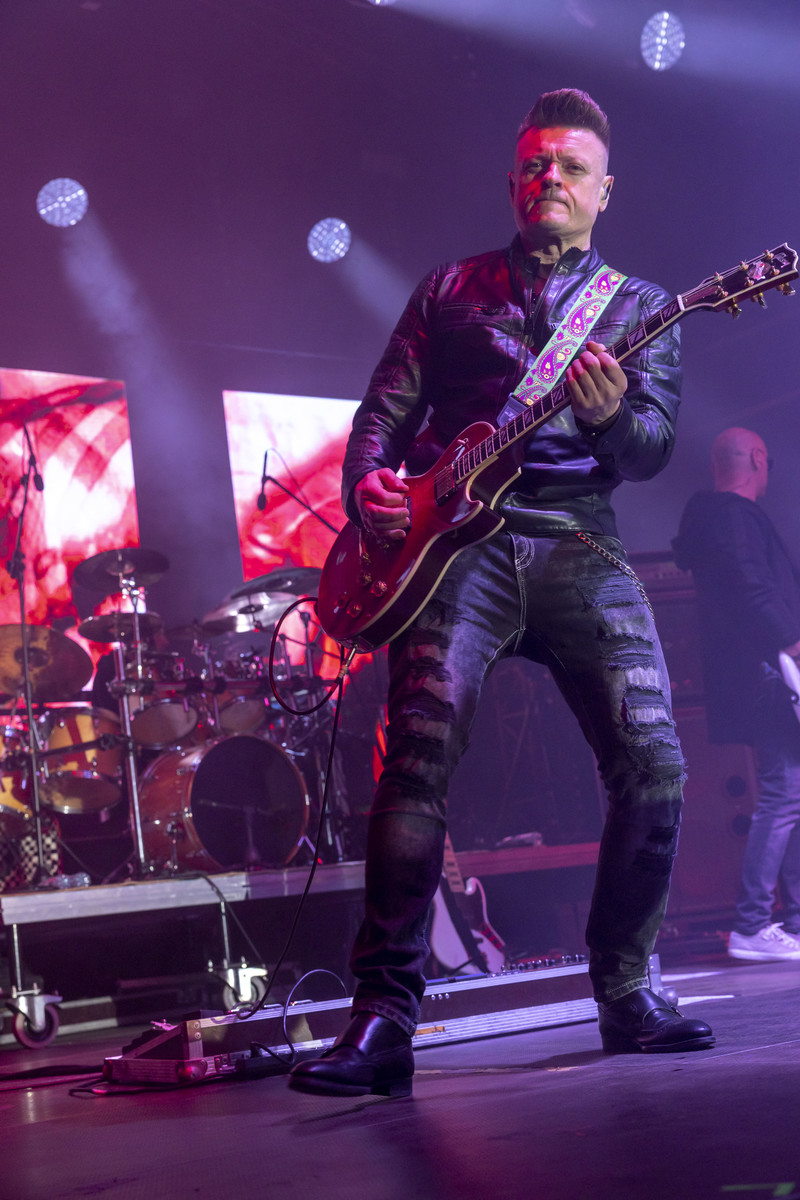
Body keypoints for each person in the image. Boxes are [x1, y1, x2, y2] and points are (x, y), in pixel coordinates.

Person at [289, 88, 714, 1097]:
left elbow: (650, 449)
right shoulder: (448, 289)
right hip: (451, 550)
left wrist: (609, 420)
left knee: (654, 763)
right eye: (533, 164)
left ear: (604, 190)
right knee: (414, 761)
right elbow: (380, 416)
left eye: (570, 167)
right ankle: (383, 1018)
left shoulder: (643, 307)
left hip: (577, 536)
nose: (549, 178)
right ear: (512, 181)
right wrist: (369, 486)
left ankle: (627, 991)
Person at [673, 427, 800, 962]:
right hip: (767, 673)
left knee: (791, 793)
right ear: (757, 457)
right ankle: (752, 924)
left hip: (755, 673)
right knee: (783, 794)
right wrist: (791, 641)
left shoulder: (716, 520)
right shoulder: (734, 517)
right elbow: (754, 586)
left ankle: (790, 921)